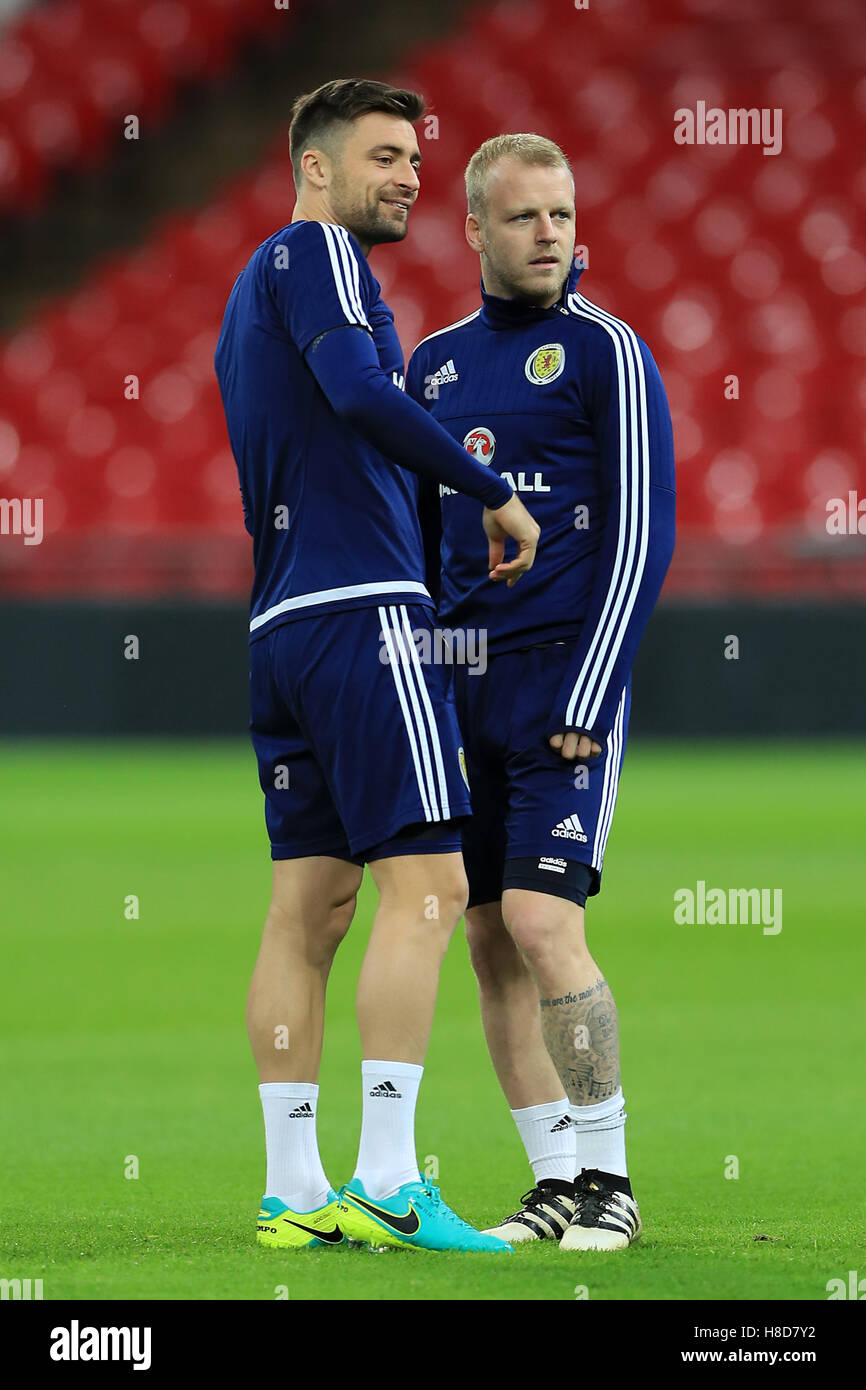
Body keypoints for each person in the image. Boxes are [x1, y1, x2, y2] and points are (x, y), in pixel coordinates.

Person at [214, 82, 539, 1253]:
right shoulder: (320, 253)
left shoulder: (245, 300)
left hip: (280, 627)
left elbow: (325, 430)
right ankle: (392, 1178)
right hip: (361, 615)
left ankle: (292, 1191)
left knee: (308, 907)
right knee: (431, 888)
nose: (409, 176)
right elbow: (358, 395)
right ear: (314, 168)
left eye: (415, 158)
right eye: (385, 155)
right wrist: (491, 488)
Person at [406, 133, 675, 1250]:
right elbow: (420, 549)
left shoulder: (607, 351)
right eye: (523, 218)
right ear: (472, 228)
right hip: (461, 689)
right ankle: (553, 1182)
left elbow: (642, 534)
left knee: (540, 917)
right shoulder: (432, 367)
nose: (548, 235)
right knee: (486, 938)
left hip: (564, 683)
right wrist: (416, 682)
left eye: (560, 215)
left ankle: (610, 1177)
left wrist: (592, 681)